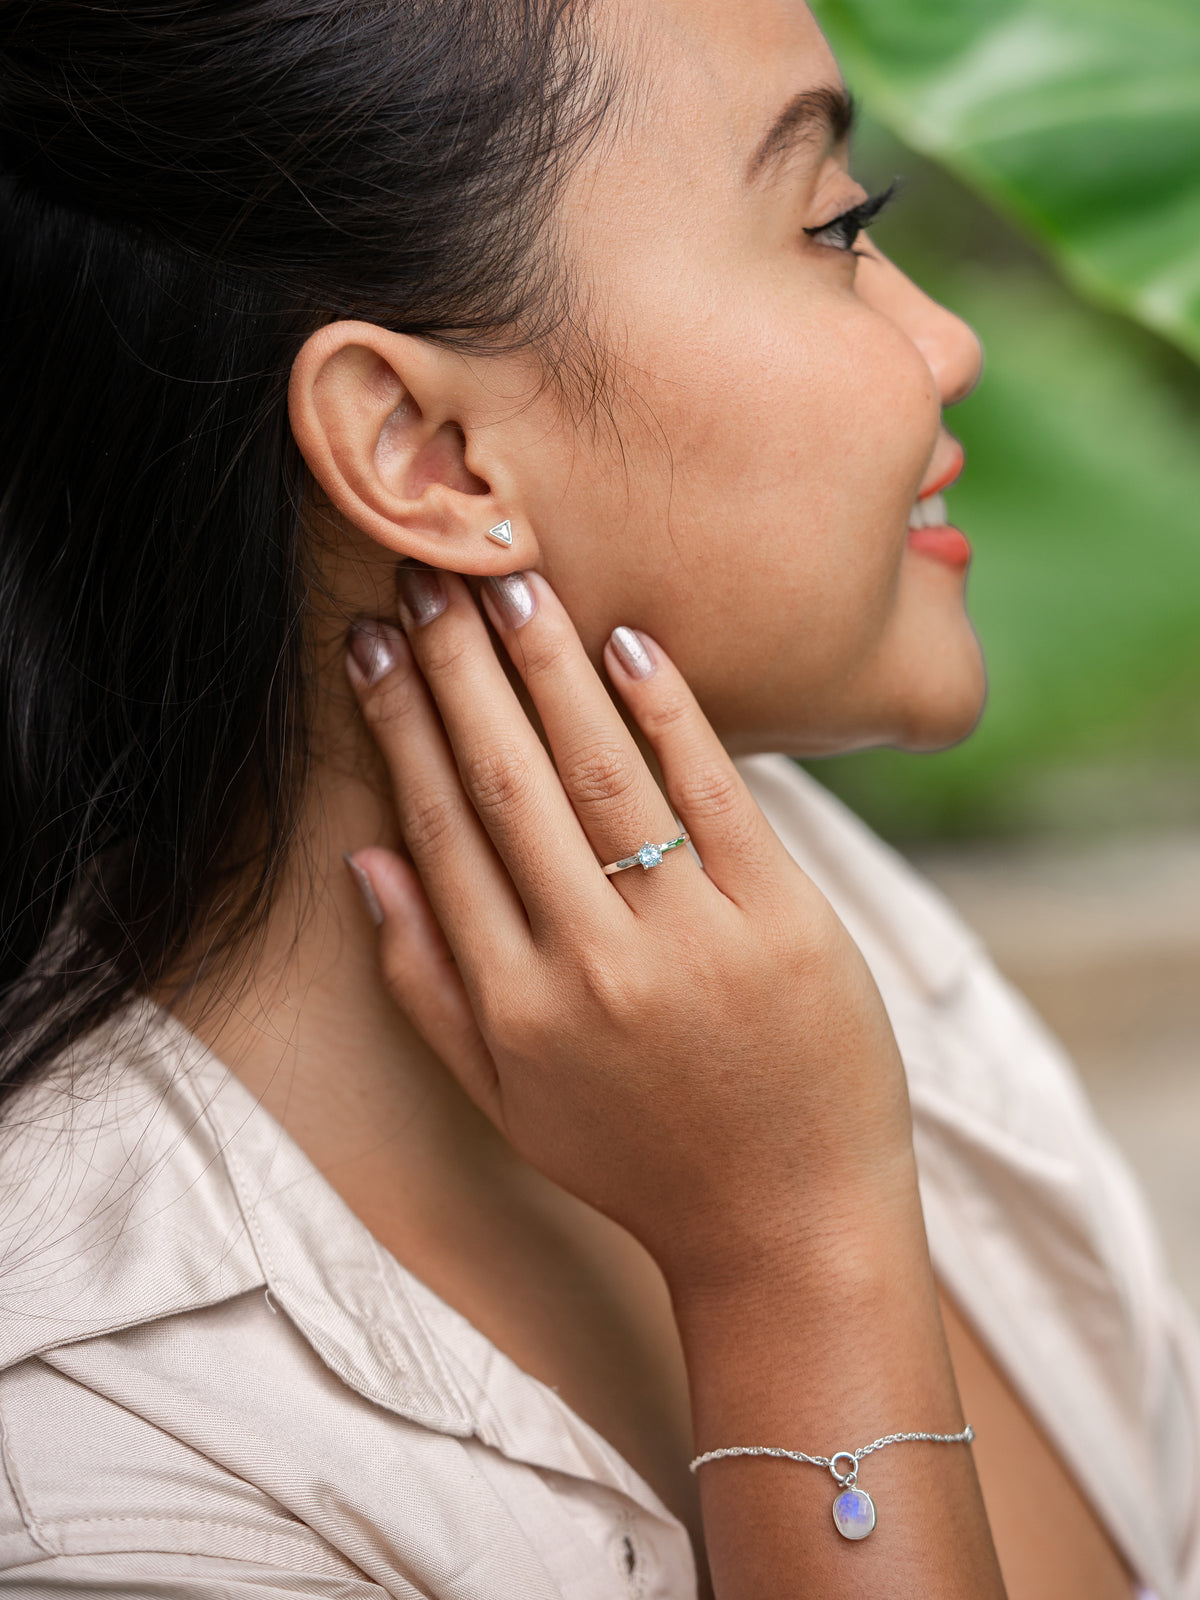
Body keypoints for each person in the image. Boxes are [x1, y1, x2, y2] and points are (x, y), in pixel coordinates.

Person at [0, 1, 1196, 1596]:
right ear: (425, 450)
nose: (951, 343)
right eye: (836, 227)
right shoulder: (98, 1477)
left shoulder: (753, 891)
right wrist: (795, 1261)